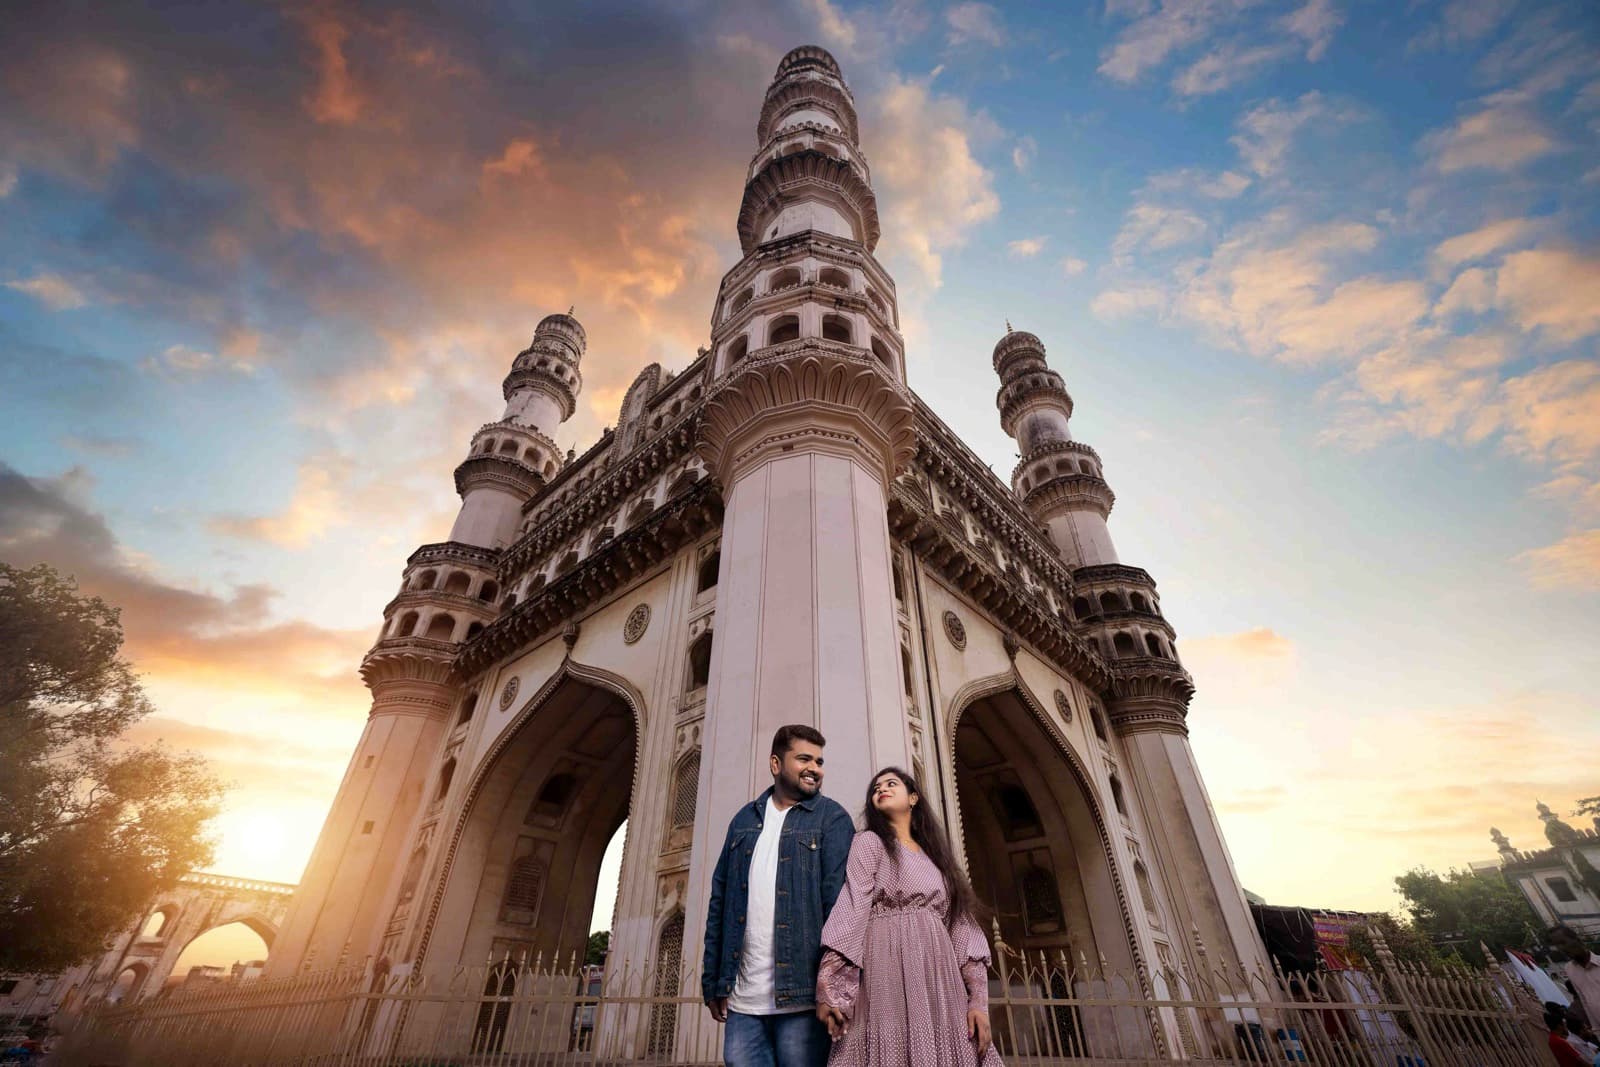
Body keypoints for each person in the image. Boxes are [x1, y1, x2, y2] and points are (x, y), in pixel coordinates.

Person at [815, 766, 1003, 1067]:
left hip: (938, 978)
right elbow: (853, 907)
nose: (881, 789)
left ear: (913, 797)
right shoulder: (869, 843)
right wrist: (830, 985)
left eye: (891, 783)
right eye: (876, 787)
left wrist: (978, 1001)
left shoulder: (937, 859)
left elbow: (961, 928)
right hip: (884, 970)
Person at [703, 724, 856, 1067]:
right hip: (743, 1003)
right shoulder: (744, 820)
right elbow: (720, 902)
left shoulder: (831, 819)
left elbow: (843, 911)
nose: (814, 768)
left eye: (819, 761)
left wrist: (835, 989)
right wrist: (714, 981)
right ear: (776, 764)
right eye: (804, 758)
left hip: (803, 1001)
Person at [1551, 925, 1600, 1034]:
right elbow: (1585, 1001)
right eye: (1557, 946)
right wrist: (1597, 1032)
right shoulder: (1570, 969)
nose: (1561, 949)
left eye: (1563, 942)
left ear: (1577, 939)